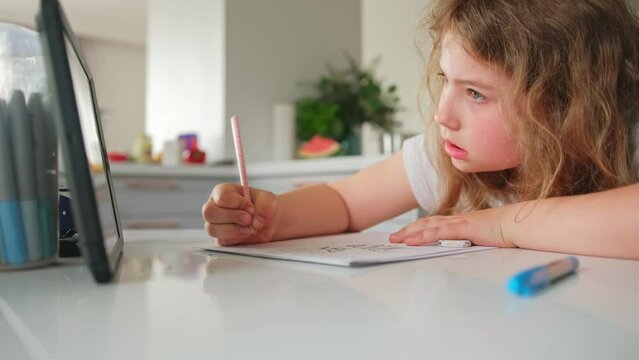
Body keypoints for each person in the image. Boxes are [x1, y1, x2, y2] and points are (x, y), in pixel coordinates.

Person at [202, 0, 639, 260]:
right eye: (445, 81)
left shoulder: (628, 145)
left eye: (476, 94)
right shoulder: (444, 156)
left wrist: (503, 225)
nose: (441, 115)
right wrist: (274, 217)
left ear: (564, 105)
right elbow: (345, 203)